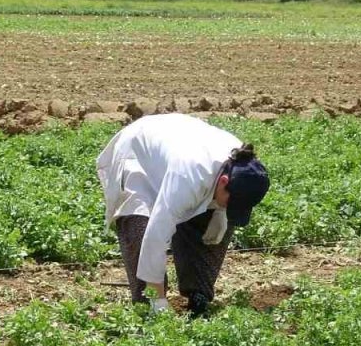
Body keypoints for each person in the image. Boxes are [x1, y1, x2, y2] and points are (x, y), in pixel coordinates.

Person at [96, 113, 270, 317]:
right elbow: (155, 239)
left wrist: (220, 219)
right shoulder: (188, 177)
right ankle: (148, 305)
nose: (230, 208)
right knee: (140, 229)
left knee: (211, 221)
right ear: (223, 182)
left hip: (178, 146)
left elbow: (221, 213)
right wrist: (157, 299)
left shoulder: (243, 168)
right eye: (231, 202)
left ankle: (198, 296)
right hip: (139, 152)